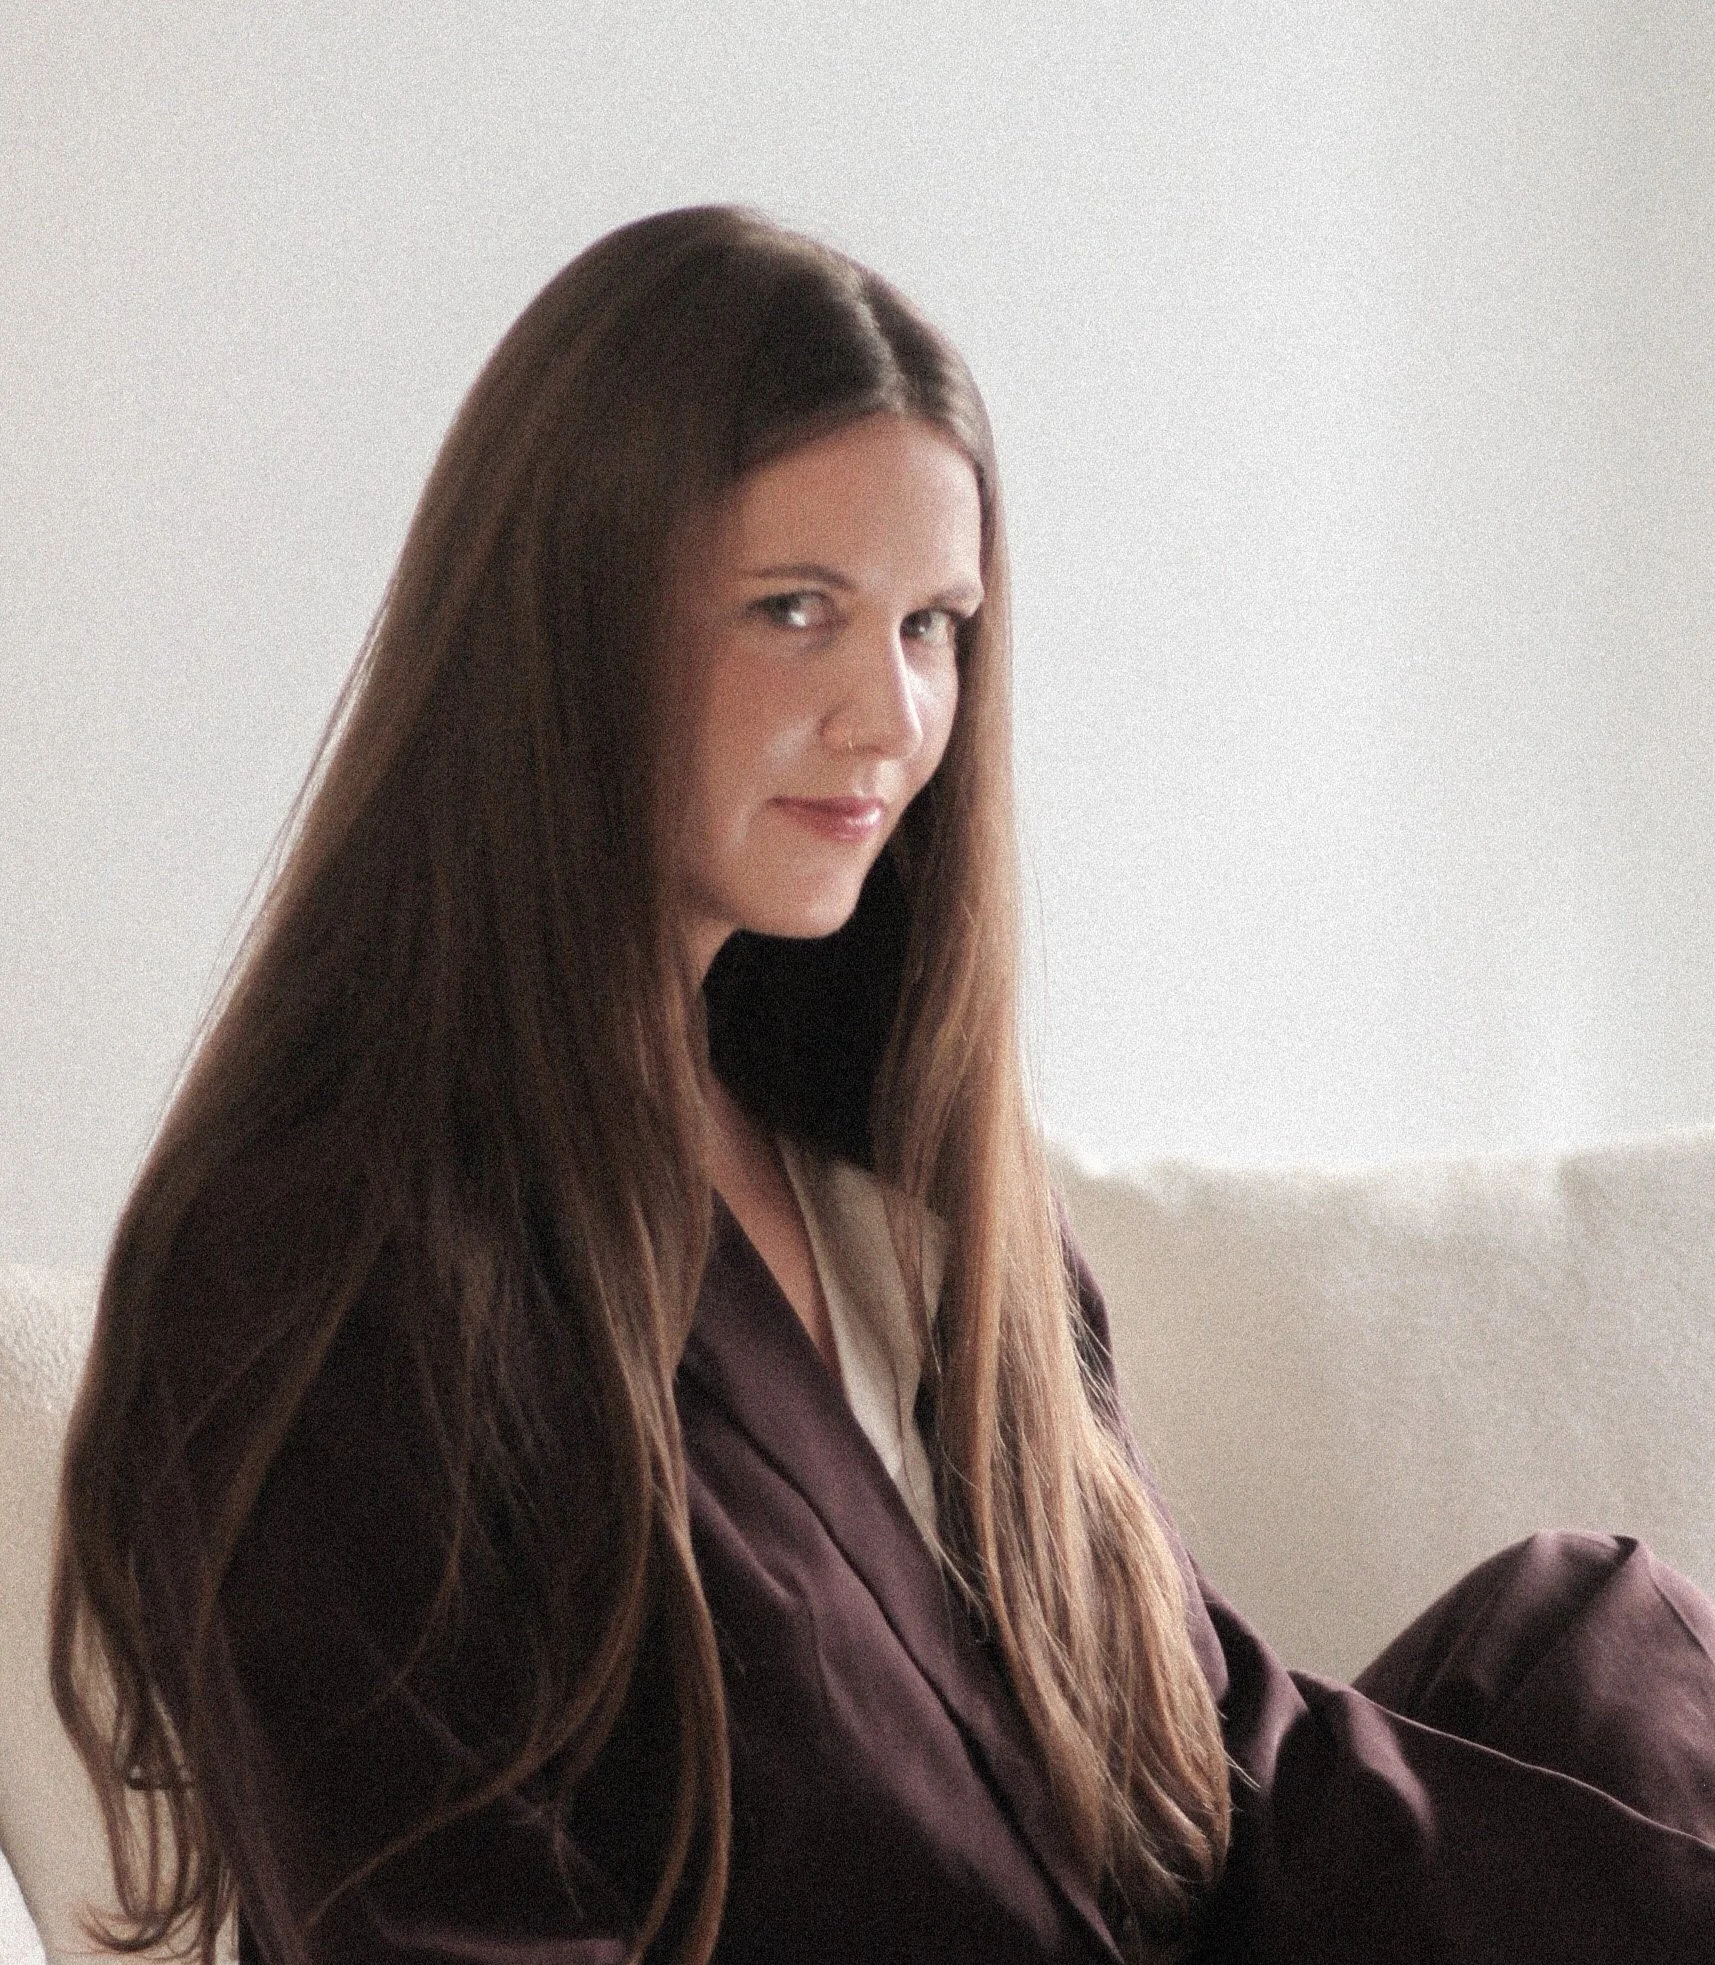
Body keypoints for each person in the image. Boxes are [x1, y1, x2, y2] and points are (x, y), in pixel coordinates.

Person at [50, 206, 1715, 1965]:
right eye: (795, 612)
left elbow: (1203, 1764)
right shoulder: (325, 1257)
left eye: (932, 626)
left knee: (1592, 1643)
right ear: (564, 629)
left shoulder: (887, 1177)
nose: (889, 717)